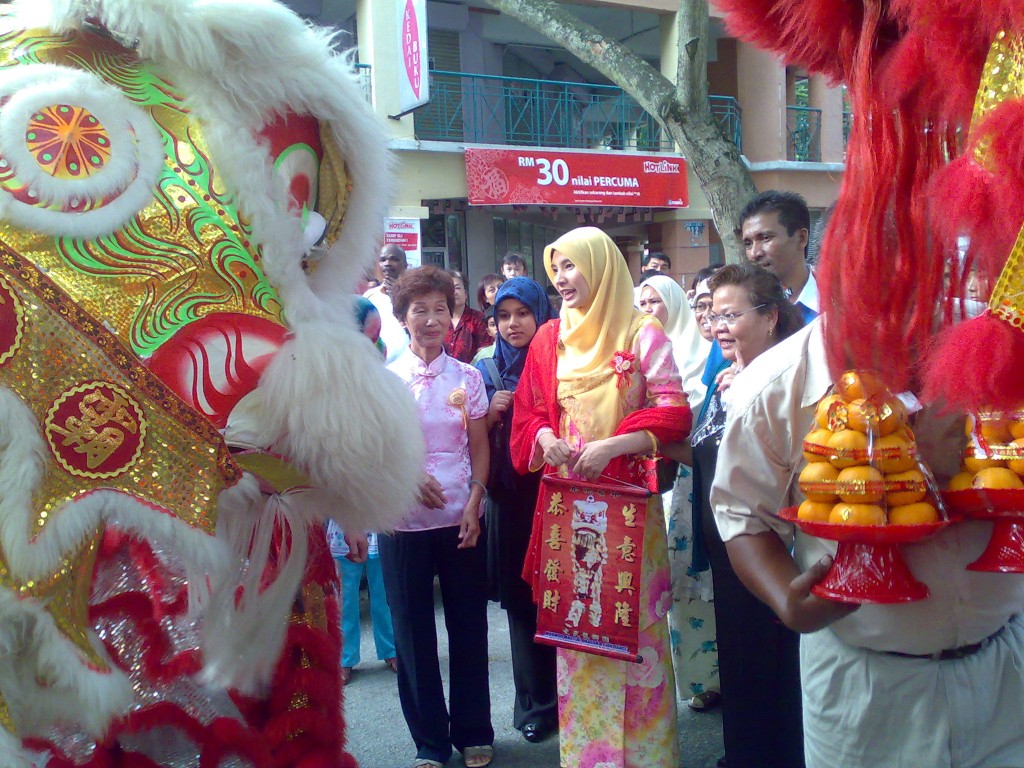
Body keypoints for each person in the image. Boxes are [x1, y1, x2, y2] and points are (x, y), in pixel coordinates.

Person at [711, 318, 1024, 768]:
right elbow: (741, 512)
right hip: (863, 686)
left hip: (1004, 666)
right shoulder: (781, 379)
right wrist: (787, 601)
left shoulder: (993, 346)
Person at [510, 226, 692, 768]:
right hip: (570, 510)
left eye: (572, 266)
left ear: (603, 266)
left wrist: (615, 443)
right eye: (556, 268)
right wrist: (545, 437)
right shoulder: (549, 338)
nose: (562, 279)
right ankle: (589, 758)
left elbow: (674, 409)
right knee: (581, 627)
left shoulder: (643, 333)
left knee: (635, 633)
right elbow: (531, 411)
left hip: (628, 508)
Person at [381, 266, 494, 768]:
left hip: (460, 521)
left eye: (440, 309)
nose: (430, 319)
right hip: (401, 522)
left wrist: (475, 503)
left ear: (453, 315)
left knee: (469, 628)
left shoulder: (468, 377)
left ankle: (473, 731)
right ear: (403, 317)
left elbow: (479, 447)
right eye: (419, 310)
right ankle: (429, 741)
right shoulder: (384, 379)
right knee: (412, 634)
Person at [695, 262, 805, 768]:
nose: (719, 326)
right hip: (727, 555)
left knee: (774, 672)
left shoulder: (790, 386)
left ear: (770, 318)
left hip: (776, 554)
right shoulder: (721, 378)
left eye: (731, 315)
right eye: (713, 314)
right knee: (739, 664)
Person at [476, 276, 558, 745]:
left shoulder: (560, 362)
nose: (512, 324)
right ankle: (534, 706)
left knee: (564, 597)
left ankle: (569, 694)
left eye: (522, 314)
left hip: (554, 495)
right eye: (503, 316)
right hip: (510, 502)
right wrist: (490, 413)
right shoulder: (485, 371)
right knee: (524, 607)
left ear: (539, 315)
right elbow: (464, 442)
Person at [637, 274, 719, 710]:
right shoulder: (636, 353)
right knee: (681, 578)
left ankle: (729, 673)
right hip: (664, 484)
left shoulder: (705, 354)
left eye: (657, 301)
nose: (649, 308)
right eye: (643, 301)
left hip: (698, 474)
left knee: (712, 577)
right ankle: (698, 680)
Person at [327, 521, 397, 684]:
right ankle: (344, 659)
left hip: (380, 531)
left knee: (384, 599)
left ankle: (391, 650)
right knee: (345, 603)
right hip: (343, 535)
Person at [737, 191, 819, 323]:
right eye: (748, 243)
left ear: (801, 238)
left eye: (765, 238)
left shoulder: (839, 304)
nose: (754, 253)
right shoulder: (736, 311)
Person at [364, 243, 411, 362]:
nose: (387, 264)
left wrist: (395, 297)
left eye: (394, 259)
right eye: (383, 260)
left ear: (405, 265)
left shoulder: (415, 296)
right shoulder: (369, 297)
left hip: (409, 366)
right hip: (378, 367)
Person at [444, 269, 490, 363]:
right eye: (449, 289)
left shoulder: (479, 319)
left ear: (465, 294)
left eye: (457, 288)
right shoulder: (440, 320)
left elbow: (485, 352)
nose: (454, 292)